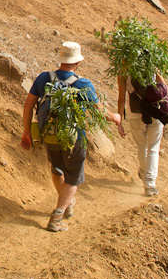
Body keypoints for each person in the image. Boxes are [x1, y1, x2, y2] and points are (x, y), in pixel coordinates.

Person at [20, 42, 122, 232]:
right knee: (73, 178)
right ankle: (57, 216)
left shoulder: (44, 78)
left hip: (47, 135)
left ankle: (67, 203)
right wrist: (115, 117)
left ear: (61, 60)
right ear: (77, 63)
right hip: (74, 139)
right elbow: (100, 112)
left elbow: (28, 105)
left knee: (57, 169)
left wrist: (26, 131)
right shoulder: (83, 84)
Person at [117, 72, 168, 197]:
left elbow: (121, 99)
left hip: (135, 114)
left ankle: (143, 172)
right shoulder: (152, 66)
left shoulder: (123, 72)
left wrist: (119, 122)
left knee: (142, 147)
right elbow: (165, 89)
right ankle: (150, 184)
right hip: (155, 112)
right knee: (153, 148)